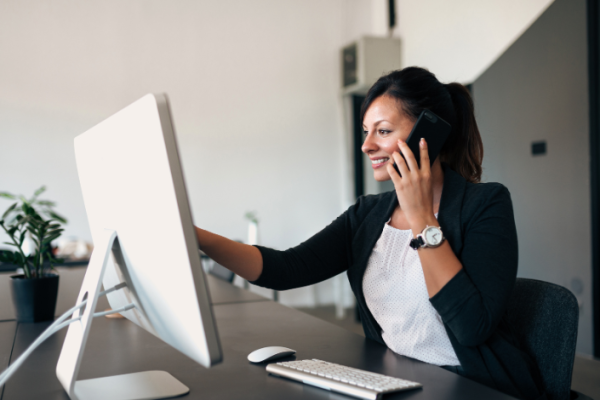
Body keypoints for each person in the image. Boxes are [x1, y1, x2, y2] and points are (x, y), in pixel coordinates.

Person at [195, 67, 545, 400]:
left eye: (383, 130)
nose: (367, 145)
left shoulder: (485, 204)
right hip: (402, 382)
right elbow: (286, 268)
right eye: (366, 131)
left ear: (430, 133)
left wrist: (421, 216)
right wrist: (196, 237)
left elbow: (471, 327)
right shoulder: (367, 215)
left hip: (475, 387)